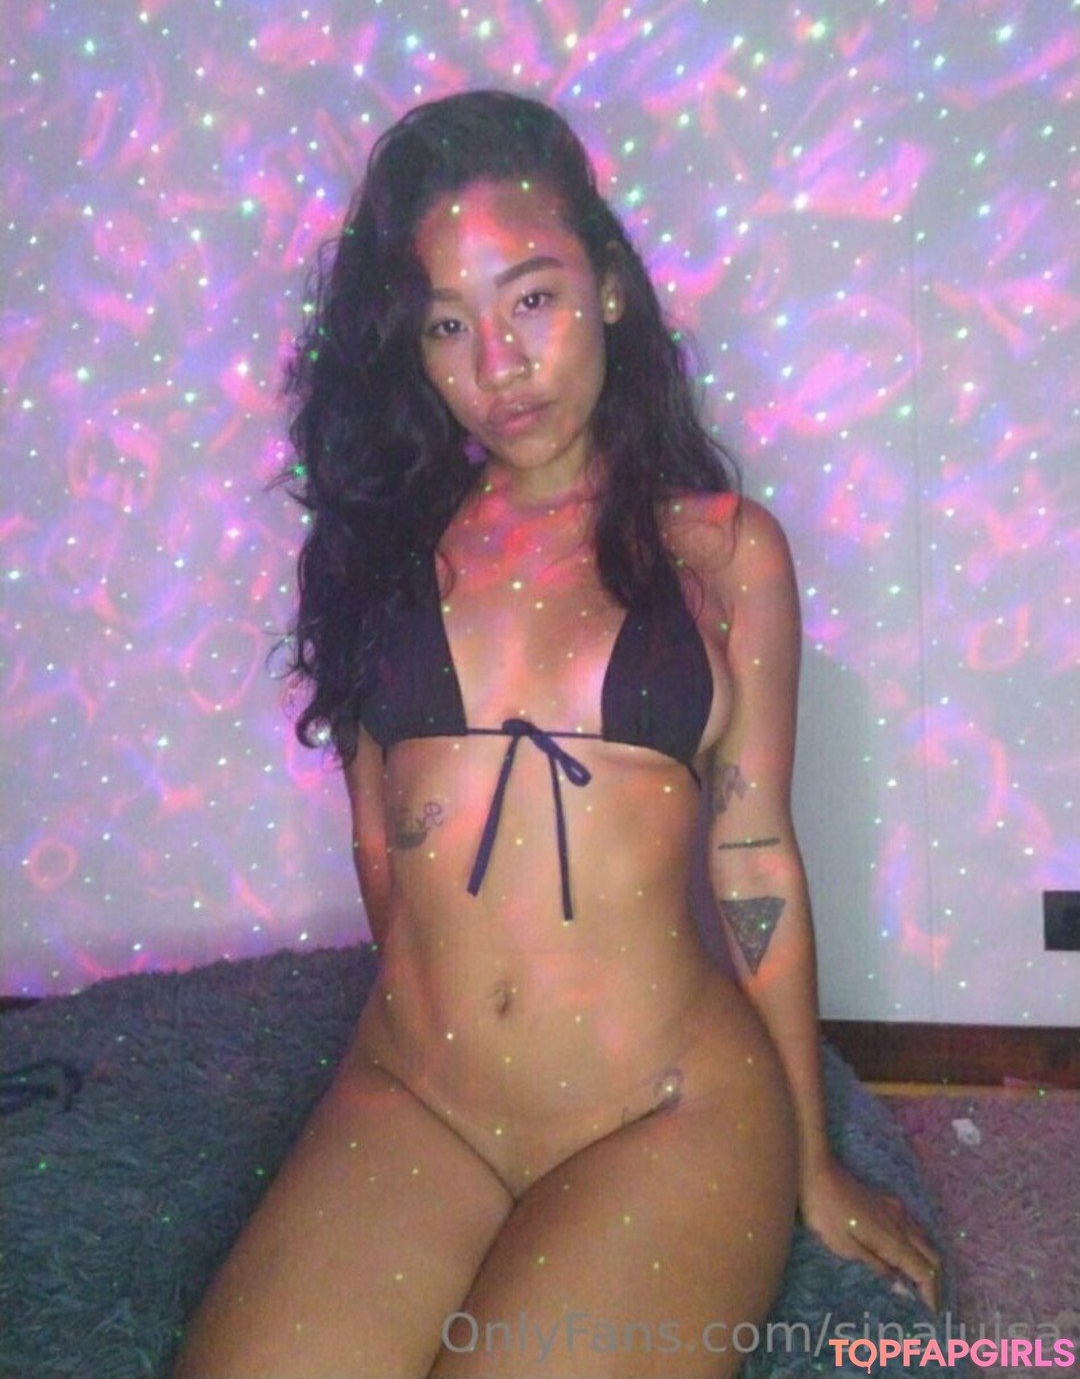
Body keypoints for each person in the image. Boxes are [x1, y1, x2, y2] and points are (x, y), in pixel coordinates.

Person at [172, 89, 939, 1379]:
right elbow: (380, 839)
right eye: (447, 325)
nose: (500, 364)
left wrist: (812, 1158)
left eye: (532, 298)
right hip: (420, 1096)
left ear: (611, 290)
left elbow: (753, 856)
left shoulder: (721, 553)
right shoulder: (379, 548)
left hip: (663, 1109)